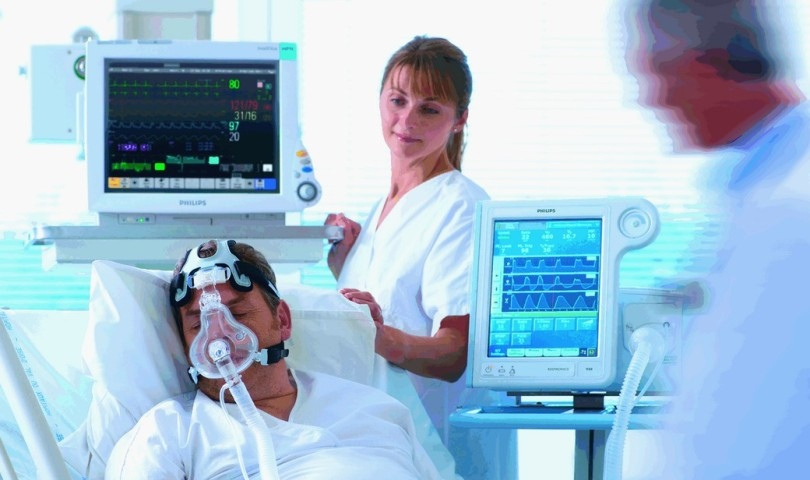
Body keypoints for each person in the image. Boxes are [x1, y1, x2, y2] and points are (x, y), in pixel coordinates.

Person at [623, 0, 810, 477]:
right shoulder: (754, 190)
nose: (650, 98)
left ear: (702, 65)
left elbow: (748, 437)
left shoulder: (788, 212)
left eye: (656, 73)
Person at [325, 36, 517, 479]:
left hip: (436, 450)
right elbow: (395, 305)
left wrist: (375, 335)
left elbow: (454, 354)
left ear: (459, 119)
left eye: (429, 109)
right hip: (378, 444)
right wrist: (344, 267)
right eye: (398, 100)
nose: (406, 120)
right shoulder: (383, 208)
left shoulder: (461, 207)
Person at [104, 239, 443, 480]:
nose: (218, 334)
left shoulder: (376, 408)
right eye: (198, 324)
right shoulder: (168, 431)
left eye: (237, 313)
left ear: (282, 320)